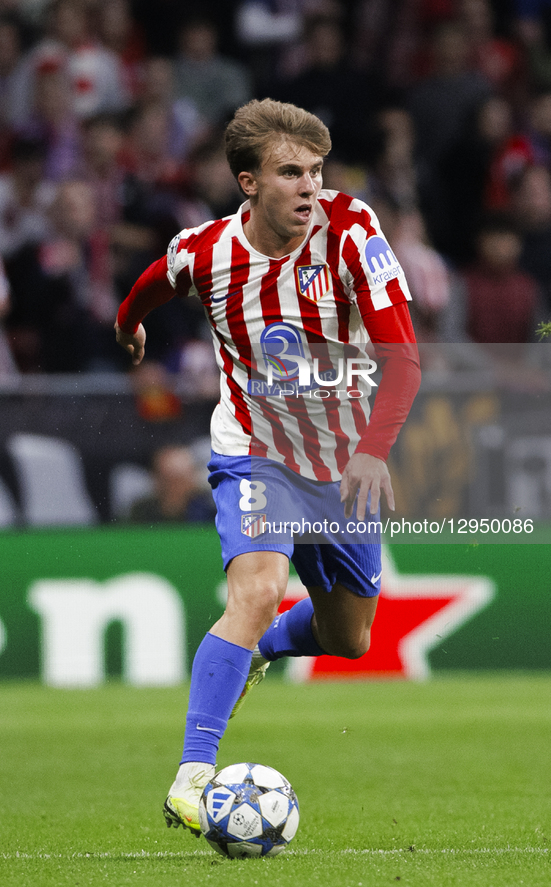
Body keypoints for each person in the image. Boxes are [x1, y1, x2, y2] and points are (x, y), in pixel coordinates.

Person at [114, 99, 421, 836]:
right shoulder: (208, 250)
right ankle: (193, 775)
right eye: (290, 172)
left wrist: (374, 449)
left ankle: (267, 648)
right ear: (248, 182)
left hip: (342, 460)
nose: (310, 186)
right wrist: (129, 325)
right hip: (253, 450)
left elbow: (402, 358)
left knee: (349, 637)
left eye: (316, 170)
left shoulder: (352, 232)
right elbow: (153, 280)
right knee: (258, 586)